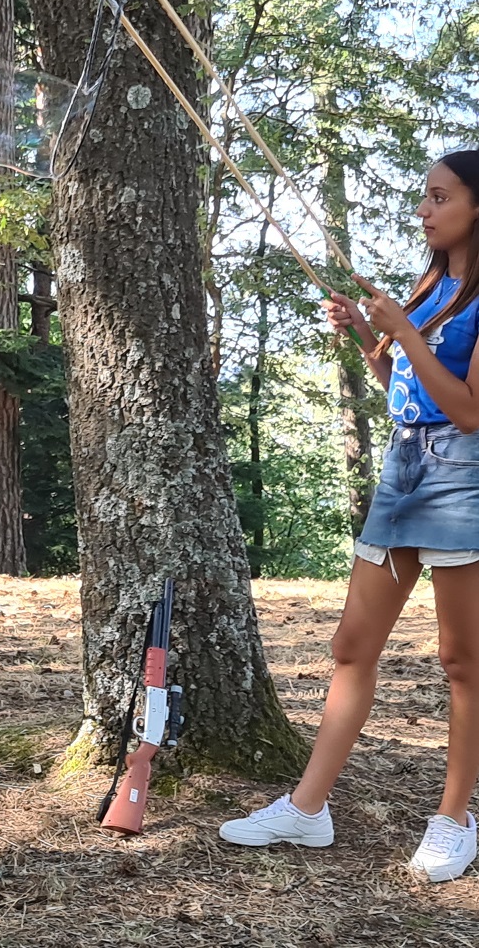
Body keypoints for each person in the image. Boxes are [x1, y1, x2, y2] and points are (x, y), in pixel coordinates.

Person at [219, 152, 479, 883]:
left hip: (461, 481)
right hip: (401, 473)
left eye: (438, 197)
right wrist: (368, 341)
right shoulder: (430, 289)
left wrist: (406, 330)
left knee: (462, 662)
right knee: (349, 644)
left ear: (476, 207)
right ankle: (307, 808)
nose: (423, 211)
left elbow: (466, 410)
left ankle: (455, 819)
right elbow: (405, 386)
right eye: (421, 196)